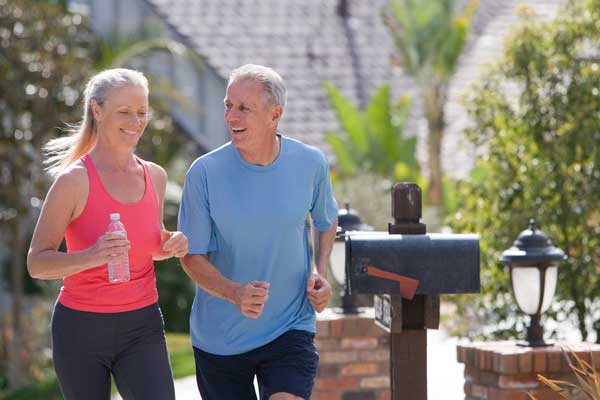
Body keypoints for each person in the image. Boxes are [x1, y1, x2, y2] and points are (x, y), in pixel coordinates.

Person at [178, 64, 338, 400]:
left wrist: (321, 273)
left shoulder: (311, 163)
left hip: (289, 327)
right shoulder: (204, 173)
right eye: (228, 105)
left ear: (274, 114)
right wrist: (235, 293)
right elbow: (191, 257)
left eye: (243, 108)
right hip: (220, 339)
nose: (230, 117)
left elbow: (326, 221)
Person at [27, 68, 188, 400]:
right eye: (124, 112)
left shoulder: (154, 176)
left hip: (142, 325)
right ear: (97, 110)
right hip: (81, 329)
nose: (136, 121)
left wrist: (170, 242)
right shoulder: (73, 181)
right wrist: (91, 256)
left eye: (142, 112)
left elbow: (151, 243)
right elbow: (37, 263)